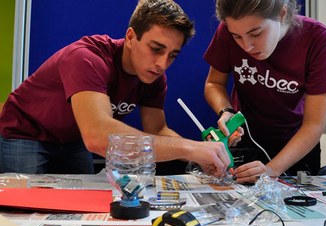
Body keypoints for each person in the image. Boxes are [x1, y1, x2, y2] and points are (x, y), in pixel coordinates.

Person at [0, 0, 230, 176]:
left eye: (172, 55)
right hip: (25, 133)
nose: (162, 64)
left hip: (72, 140)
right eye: (156, 48)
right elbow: (98, 136)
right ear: (131, 37)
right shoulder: (86, 58)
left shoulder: (152, 77)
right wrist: (189, 149)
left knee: (82, 207)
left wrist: (201, 154)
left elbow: (158, 130)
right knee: (22, 213)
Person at [203, 0, 326, 183]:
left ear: (282, 14)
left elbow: (314, 125)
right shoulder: (225, 31)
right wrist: (226, 111)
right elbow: (214, 84)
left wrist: (272, 169)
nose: (247, 46)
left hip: (296, 146)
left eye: (256, 33)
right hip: (246, 141)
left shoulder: (319, 39)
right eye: (237, 37)